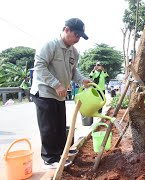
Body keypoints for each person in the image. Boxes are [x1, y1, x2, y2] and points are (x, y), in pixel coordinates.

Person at [30, 18, 91, 169]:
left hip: (59, 93)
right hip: (44, 91)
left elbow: (73, 71)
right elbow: (39, 66)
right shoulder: (50, 45)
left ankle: (61, 153)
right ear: (66, 29)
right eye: (76, 35)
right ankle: (50, 159)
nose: (77, 39)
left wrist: (82, 80)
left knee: (59, 124)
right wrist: (56, 84)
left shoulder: (74, 52)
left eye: (80, 37)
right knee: (48, 127)